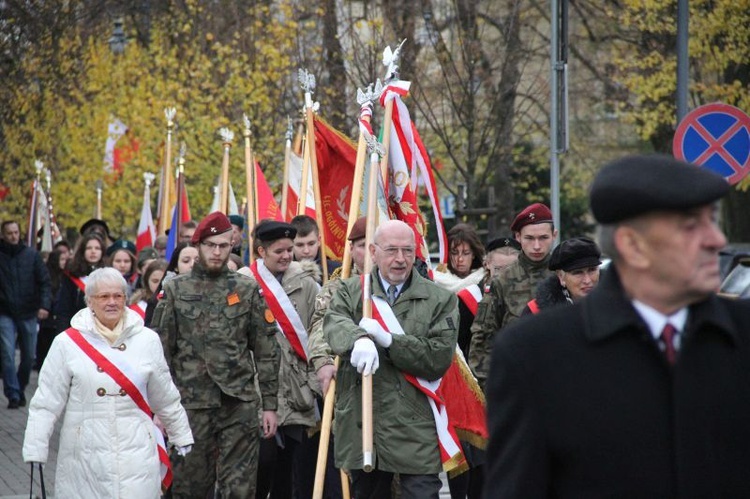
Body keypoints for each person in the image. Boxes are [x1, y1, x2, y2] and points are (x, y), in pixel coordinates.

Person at [483, 154, 750, 497]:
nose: (716, 240)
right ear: (632, 246)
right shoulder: (535, 355)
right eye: (691, 226)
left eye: (713, 221)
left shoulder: (742, 338)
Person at [23, 267, 193, 498]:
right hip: (83, 452)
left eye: (118, 296)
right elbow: (46, 402)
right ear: (89, 301)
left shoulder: (147, 340)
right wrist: (36, 449)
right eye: (103, 296)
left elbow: (164, 394)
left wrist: (181, 435)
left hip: (137, 450)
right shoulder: (66, 343)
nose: (111, 302)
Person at [324, 219, 459, 499]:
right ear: (373, 251)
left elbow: (437, 358)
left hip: (415, 424)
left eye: (408, 251)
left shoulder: (440, 300)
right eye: (391, 250)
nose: (400, 259)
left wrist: (389, 341)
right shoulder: (351, 292)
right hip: (364, 420)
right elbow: (333, 324)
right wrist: (357, 338)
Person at [153, 212, 280, 498]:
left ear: (232, 245)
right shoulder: (175, 289)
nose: (217, 251)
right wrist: (161, 406)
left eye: (224, 245)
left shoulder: (246, 289)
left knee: (240, 487)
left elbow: (266, 350)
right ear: (198, 245)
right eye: (211, 244)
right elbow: (160, 352)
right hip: (190, 403)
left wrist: (270, 404)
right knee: (190, 486)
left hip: (238, 402)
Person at [239, 219, 321, 499]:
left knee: (290, 472)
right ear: (261, 252)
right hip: (258, 394)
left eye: (289, 249)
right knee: (262, 464)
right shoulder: (242, 284)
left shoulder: (307, 285)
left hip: (297, 393)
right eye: (279, 251)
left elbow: (318, 333)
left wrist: (312, 382)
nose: (287, 256)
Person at [469, 203, 556, 388]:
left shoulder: (566, 276)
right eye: (530, 238)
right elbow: (483, 339)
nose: (537, 246)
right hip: (517, 385)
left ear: (554, 236)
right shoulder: (502, 282)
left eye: (543, 238)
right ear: (518, 237)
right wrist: (492, 389)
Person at [432, 223, 487, 499]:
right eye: (455, 253)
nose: (460, 259)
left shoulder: (482, 286)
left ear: (475, 254)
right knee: (459, 452)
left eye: (466, 253)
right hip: (450, 375)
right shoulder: (437, 284)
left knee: (479, 451)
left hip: (477, 375)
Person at [0, 221, 51, 409]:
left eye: (16, 232)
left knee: (29, 356)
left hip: (29, 311)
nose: (13, 236)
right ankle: (12, 393)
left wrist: (44, 305)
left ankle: (20, 387)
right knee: (7, 353)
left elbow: (44, 282)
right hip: (4, 312)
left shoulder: (31, 255)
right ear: (3, 235)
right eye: (9, 233)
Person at [522, 236, 602, 315]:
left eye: (592, 270)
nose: (587, 280)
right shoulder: (536, 312)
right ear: (561, 277)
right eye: (577, 273)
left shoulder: (613, 304)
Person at [55, 233, 106, 332]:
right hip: (76, 326)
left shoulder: (108, 275)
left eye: (97, 248)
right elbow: (64, 308)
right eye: (89, 248)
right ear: (82, 251)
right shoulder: (72, 275)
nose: (93, 251)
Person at [36, 247, 70, 369]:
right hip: (48, 319)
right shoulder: (48, 275)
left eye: (66, 259)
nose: (64, 262)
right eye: (61, 259)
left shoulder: (67, 276)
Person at [290, 214, 340, 280]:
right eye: (300, 245)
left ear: (319, 240)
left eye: (311, 244)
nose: (306, 251)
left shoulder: (337, 271)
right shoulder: (282, 271)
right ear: (290, 244)